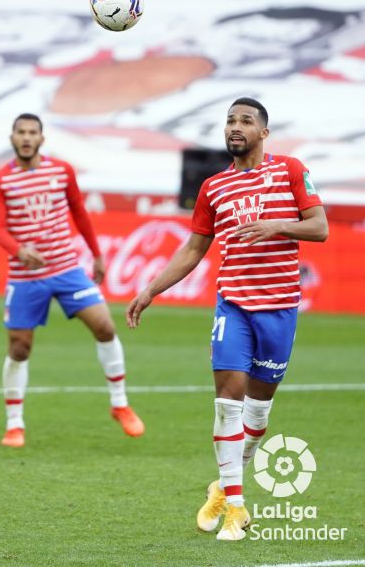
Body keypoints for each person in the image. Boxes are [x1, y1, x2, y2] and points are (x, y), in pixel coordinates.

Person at [126, 98, 328, 541]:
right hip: (232, 305)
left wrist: (277, 226)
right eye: (231, 121)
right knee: (227, 402)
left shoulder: (291, 170)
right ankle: (236, 507)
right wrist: (150, 289)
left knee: (257, 414)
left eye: (246, 121)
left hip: (279, 308)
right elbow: (194, 249)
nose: (235, 127)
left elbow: (319, 227)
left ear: (263, 132)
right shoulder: (214, 187)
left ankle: (222, 486)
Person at [0, 114, 144, 448]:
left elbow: (79, 212)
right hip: (25, 276)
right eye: (21, 133)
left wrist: (98, 254)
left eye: (32, 133)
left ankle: (119, 403)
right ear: (12, 137)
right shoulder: (2, 179)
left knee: (105, 326)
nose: (27, 138)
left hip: (66, 269)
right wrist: (19, 250)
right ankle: (15, 424)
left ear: (42, 139)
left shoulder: (61, 171)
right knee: (19, 348)